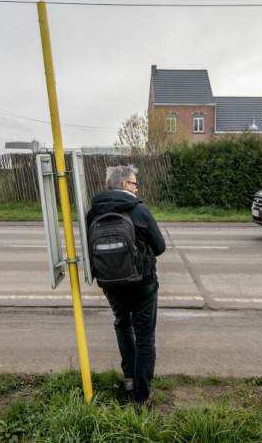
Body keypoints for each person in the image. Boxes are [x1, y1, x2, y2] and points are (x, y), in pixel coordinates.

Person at [86, 165, 166, 406]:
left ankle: (129, 377)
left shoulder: (93, 213)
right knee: (145, 339)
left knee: (122, 324)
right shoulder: (140, 210)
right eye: (134, 183)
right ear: (124, 185)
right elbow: (160, 247)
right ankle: (142, 395)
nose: (136, 187)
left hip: (111, 284)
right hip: (143, 284)